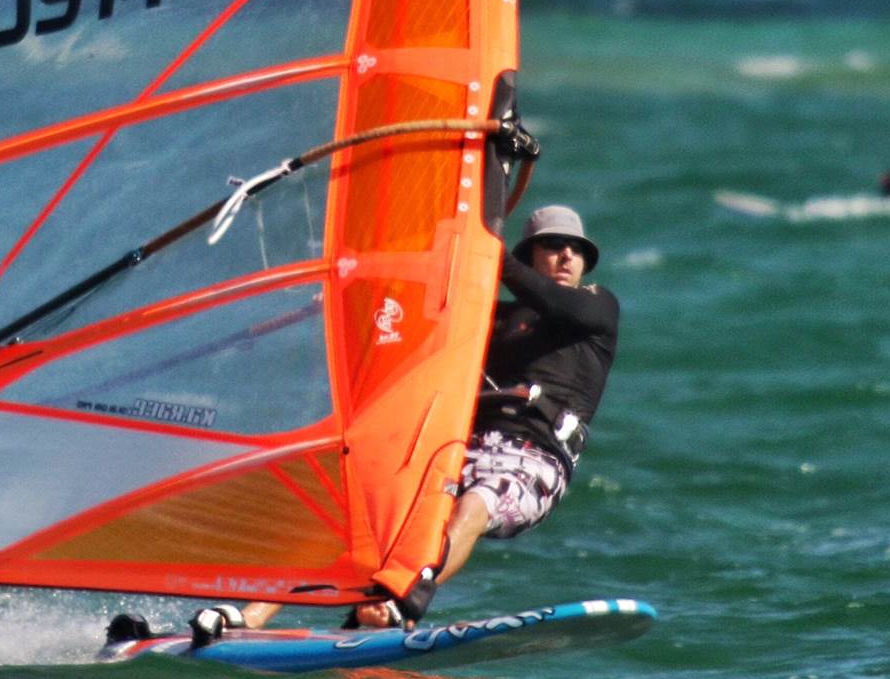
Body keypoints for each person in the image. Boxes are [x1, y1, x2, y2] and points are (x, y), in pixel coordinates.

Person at [175, 203, 622, 645]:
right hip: (460, 447)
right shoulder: (493, 317)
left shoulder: (597, 307)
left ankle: (403, 599)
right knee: (358, 516)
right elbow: (411, 311)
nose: (567, 256)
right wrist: (355, 293)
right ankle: (250, 616)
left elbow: (549, 300)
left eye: (576, 249)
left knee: (476, 504)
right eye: (553, 245)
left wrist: (485, 248)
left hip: (535, 459)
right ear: (531, 254)